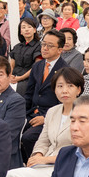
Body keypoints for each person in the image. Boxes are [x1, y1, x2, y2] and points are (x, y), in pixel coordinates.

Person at [22, 29, 68, 163]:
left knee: (28, 137)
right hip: (32, 112)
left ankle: (35, 164)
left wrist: (46, 118)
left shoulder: (64, 70)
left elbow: (64, 102)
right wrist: (21, 113)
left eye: (50, 45)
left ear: (60, 50)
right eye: (43, 44)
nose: (45, 48)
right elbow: (29, 93)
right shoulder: (38, 66)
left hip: (49, 116)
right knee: (9, 130)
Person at [9, 18, 41, 95]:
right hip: (14, 77)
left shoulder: (39, 46)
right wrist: (9, 75)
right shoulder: (17, 47)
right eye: (23, 27)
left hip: (29, 79)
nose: (26, 29)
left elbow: (36, 66)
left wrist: (20, 78)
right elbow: (12, 65)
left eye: (29, 27)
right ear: (20, 32)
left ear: (34, 30)